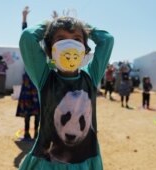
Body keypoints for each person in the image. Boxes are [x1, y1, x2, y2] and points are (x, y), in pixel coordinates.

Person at [19, 15, 114, 169]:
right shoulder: (45, 78)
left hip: (84, 161)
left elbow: (107, 40)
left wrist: (83, 25)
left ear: (84, 50)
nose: (70, 45)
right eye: (61, 39)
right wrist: (51, 24)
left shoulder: (91, 76)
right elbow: (28, 37)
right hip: (49, 162)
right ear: (50, 50)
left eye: (77, 39)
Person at [16, 6, 40, 140]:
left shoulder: (43, 54)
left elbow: (53, 44)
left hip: (36, 84)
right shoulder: (27, 51)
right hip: (28, 85)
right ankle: (26, 133)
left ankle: (36, 134)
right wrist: (24, 18)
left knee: (37, 112)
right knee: (28, 111)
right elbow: (24, 34)